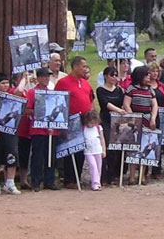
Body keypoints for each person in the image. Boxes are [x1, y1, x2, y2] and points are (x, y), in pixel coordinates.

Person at [55, 56, 94, 189]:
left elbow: (91, 99)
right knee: (70, 148)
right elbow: (58, 101)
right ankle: (69, 178)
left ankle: (77, 175)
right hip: (70, 120)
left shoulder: (85, 83)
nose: (85, 69)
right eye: (83, 66)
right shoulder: (63, 83)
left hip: (84, 120)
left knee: (81, 149)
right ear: (75, 67)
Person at [123, 66, 158, 184]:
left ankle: (142, 175)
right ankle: (132, 176)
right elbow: (126, 104)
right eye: (146, 75)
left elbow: (154, 105)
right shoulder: (131, 89)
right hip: (135, 120)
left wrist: (153, 118)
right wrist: (133, 118)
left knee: (145, 147)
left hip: (147, 120)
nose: (149, 77)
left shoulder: (150, 90)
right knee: (133, 148)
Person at [26, 68, 59, 192]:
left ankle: (49, 181)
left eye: (48, 77)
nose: (46, 79)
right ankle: (36, 181)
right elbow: (27, 110)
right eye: (44, 76)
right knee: (37, 156)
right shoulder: (31, 92)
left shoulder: (52, 92)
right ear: (38, 78)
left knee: (50, 156)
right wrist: (39, 112)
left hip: (51, 129)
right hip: (38, 129)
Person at [96, 66, 125, 185]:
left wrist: (123, 111)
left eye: (116, 75)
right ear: (105, 76)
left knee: (116, 148)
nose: (114, 77)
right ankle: (103, 175)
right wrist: (118, 110)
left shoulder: (120, 90)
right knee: (106, 146)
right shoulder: (100, 90)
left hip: (118, 122)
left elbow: (124, 102)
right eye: (111, 75)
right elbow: (105, 103)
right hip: (106, 120)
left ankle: (113, 174)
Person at [147, 61, 164, 178]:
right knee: (148, 142)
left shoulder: (161, 85)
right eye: (152, 71)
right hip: (149, 116)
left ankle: (157, 170)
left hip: (161, 116)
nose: (155, 73)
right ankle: (145, 169)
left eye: (157, 71)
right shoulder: (145, 86)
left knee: (159, 143)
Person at [83, 110, 106, 191]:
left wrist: (104, 150)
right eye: (91, 123)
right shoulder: (84, 128)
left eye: (94, 123)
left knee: (98, 167)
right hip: (88, 151)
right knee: (93, 166)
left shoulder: (98, 128)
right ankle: (95, 184)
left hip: (98, 150)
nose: (92, 124)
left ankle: (97, 181)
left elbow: (102, 139)